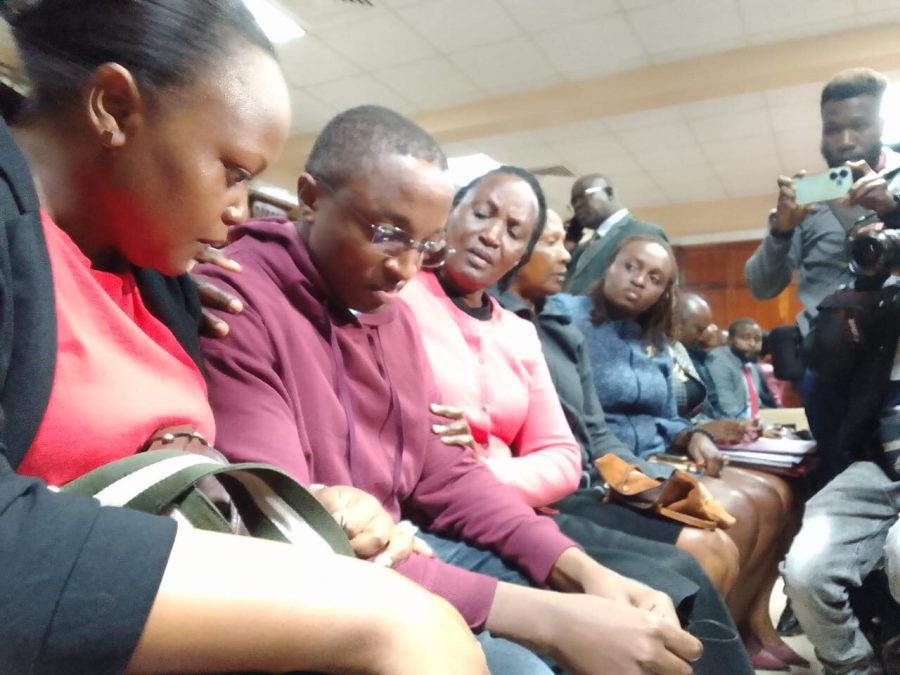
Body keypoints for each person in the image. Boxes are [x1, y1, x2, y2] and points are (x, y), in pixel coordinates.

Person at [0, 2, 487, 674]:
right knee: (413, 629)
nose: (240, 211)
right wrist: (365, 610)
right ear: (113, 106)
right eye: (234, 172)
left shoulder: (163, 273)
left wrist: (284, 504)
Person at [199, 105, 704, 675]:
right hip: (325, 584)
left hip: (401, 552)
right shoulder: (237, 301)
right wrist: (551, 619)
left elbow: (444, 472)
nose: (406, 268)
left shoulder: (392, 315)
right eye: (388, 235)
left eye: (426, 245)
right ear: (311, 198)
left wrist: (581, 570)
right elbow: (294, 529)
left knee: (633, 604)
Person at [399, 173, 752, 673]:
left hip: (515, 507)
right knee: (646, 593)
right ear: (450, 214)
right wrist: (462, 477)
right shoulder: (398, 299)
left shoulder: (518, 332)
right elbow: (407, 450)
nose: (493, 236)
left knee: (680, 579)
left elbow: (565, 455)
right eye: (481, 213)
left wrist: (481, 476)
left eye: (517, 232)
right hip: (444, 518)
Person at [555, 235, 804, 670]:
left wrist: (693, 437)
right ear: (610, 265)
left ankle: (746, 626)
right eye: (631, 267)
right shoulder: (566, 317)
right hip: (612, 463)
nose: (638, 282)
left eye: (654, 279)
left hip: (656, 454)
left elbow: (668, 415)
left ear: (663, 291)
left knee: (774, 495)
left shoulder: (650, 335)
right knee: (738, 512)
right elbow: (588, 421)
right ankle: (703, 642)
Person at [744, 67, 900, 485]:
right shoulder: (809, 198)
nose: (845, 140)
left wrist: (893, 208)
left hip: (895, 364)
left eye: (859, 125)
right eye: (833, 129)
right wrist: (782, 228)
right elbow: (761, 285)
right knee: (838, 479)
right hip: (829, 366)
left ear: (882, 125)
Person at [564, 172, 668, 295]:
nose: (577, 206)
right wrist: (569, 243)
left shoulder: (644, 233)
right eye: (574, 202)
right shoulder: (581, 250)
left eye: (583, 197)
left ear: (609, 193)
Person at [706, 319, 779, 420]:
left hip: (752, 425)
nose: (753, 344)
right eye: (746, 338)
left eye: (757, 339)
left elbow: (756, 406)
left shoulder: (750, 365)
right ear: (730, 340)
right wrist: (762, 428)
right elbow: (727, 409)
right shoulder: (718, 362)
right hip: (729, 428)